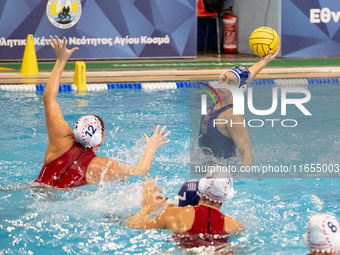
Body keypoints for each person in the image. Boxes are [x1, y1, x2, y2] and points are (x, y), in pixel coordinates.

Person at [35, 35, 170, 189]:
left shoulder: (60, 138)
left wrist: (61, 60)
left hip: (34, 190)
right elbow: (139, 171)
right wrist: (151, 147)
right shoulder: (101, 166)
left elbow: (48, 99)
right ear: (100, 138)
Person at [198, 48, 280, 166]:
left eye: (230, 83)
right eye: (223, 78)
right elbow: (247, 77)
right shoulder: (222, 98)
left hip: (219, 173)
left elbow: (246, 152)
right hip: (204, 164)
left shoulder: (232, 116)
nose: (222, 84)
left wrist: (243, 181)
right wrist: (264, 62)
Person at [128, 172, 243, 242]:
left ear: (202, 189)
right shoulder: (235, 226)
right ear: (226, 196)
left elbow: (133, 224)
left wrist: (148, 206)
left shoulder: (172, 215)